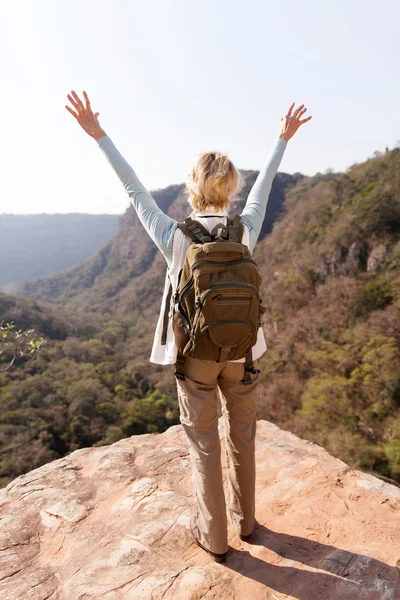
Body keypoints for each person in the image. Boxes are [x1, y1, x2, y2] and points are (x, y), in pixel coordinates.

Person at [65, 91, 312, 563]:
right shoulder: (246, 228)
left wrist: (99, 136)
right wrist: (282, 139)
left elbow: (134, 191)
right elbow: (265, 188)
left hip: (195, 355)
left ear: (191, 188)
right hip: (242, 352)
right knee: (243, 437)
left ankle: (214, 538)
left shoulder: (174, 235)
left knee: (203, 444)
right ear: (231, 189)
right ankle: (248, 523)